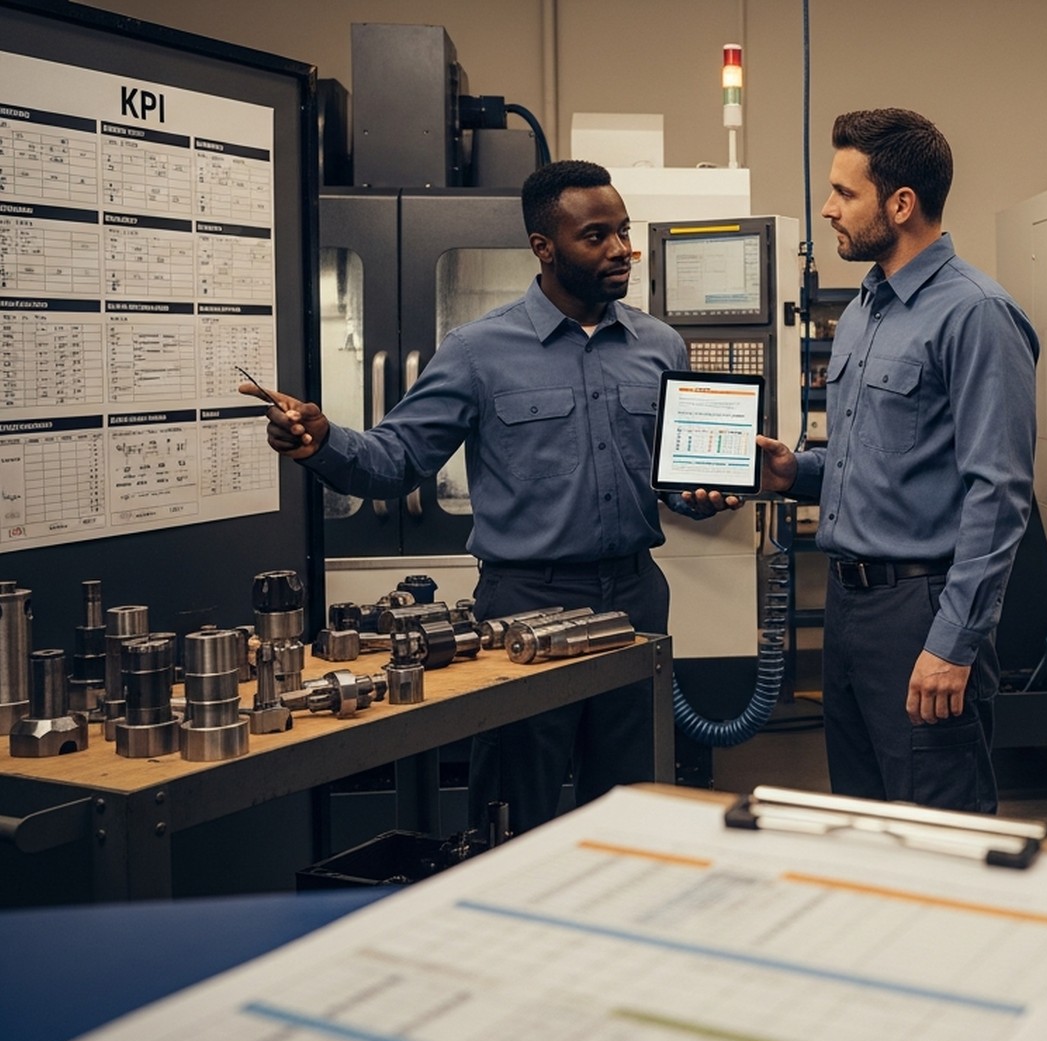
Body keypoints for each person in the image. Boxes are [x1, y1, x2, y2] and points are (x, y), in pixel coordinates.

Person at [248, 159, 740, 832]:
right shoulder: (479, 351)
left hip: (635, 600)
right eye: (596, 236)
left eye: (623, 232)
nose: (620, 250)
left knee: (633, 806)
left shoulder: (659, 345)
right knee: (515, 808)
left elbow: (674, 482)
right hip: (524, 606)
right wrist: (323, 441)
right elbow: (396, 461)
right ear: (544, 247)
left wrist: (705, 495)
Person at [756, 109, 1038, 813]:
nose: (827, 210)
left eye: (843, 194)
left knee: (939, 831)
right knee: (865, 824)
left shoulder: (975, 314)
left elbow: (998, 494)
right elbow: (872, 459)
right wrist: (798, 473)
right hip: (851, 614)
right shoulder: (864, 311)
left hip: (923, 611)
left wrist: (954, 643)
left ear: (901, 204)